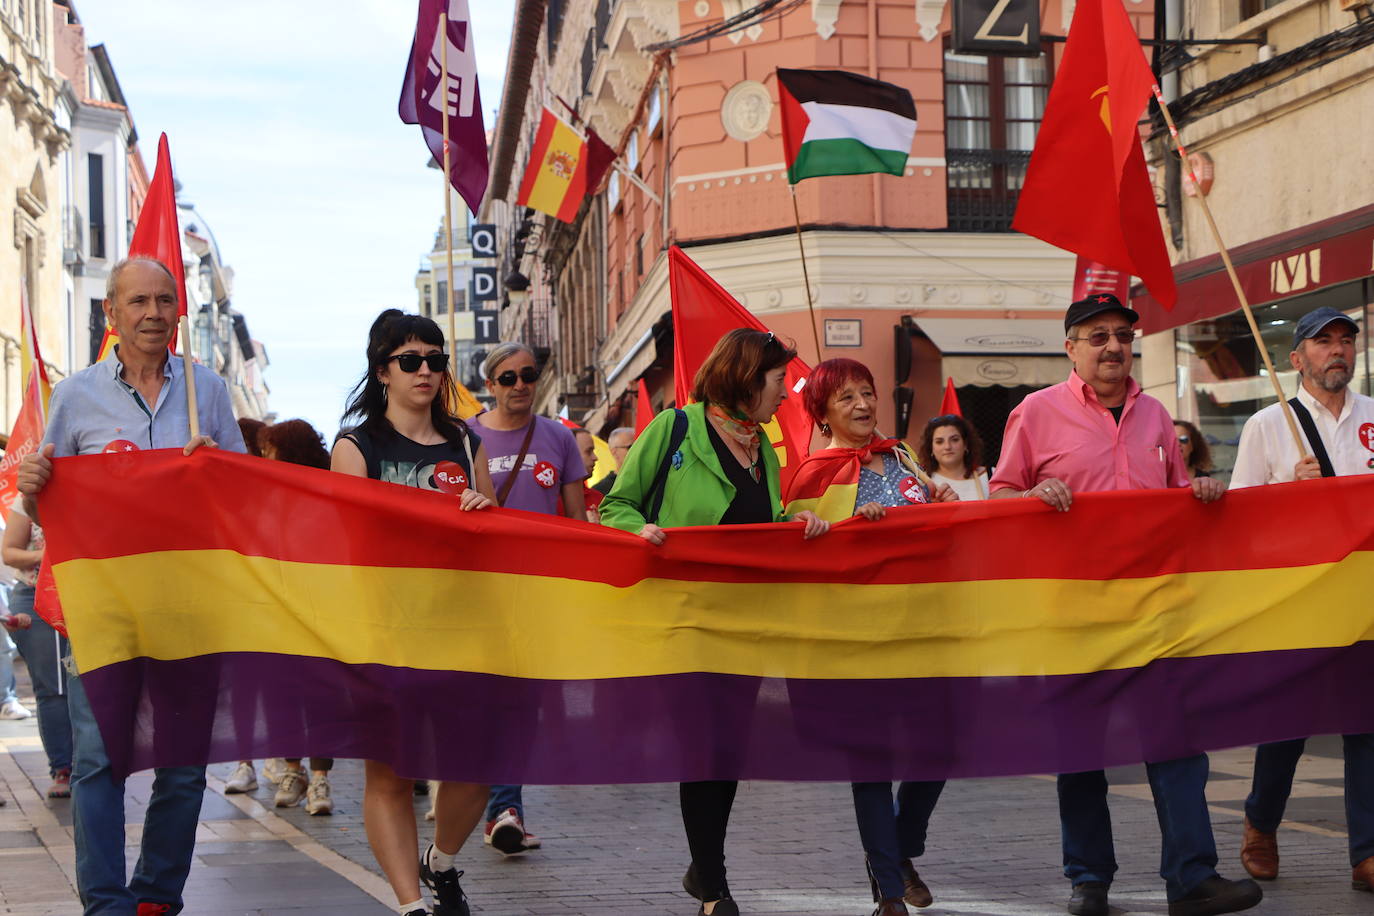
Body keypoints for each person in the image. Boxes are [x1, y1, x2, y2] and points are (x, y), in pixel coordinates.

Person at [988, 293, 1260, 916]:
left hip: (1153, 607)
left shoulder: (1156, 414)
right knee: (1080, 754)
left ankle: (1191, 877)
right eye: (1097, 336)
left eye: (1121, 334)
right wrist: (1031, 492)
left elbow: (1171, 500)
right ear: (1071, 348)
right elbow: (999, 496)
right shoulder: (1034, 413)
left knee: (1177, 745)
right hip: (1074, 612)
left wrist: (1201, 491)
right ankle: (1089, 881)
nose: (1113, 346)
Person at [16, 255, 247, 916]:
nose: (153, 313)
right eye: (138, 302)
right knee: (97, 760)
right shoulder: (75, 397)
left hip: (189, 607)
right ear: (111, 314)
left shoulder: (211, 391)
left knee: (182, 765)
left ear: (179, 311)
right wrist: (32, 488)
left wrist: (218, 471)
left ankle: (156, 896)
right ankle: (106, 905)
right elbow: (44, 503)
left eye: (164, 301)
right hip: (104, 610)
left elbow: (244, 499)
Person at [601, 328, 829, 916]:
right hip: (686, 619)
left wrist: (799, 521)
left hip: (747, 624)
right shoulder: (674, 429)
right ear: (749, 377)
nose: (787, 393)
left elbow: (765, 523)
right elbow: (616, 505)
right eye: (780, 381)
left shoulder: (767, 448)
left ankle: (704, 868)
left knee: (727, 751)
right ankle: (717, 888)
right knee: (705, 746)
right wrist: (638, 530)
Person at [332, 309, 494, 916]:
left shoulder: (466, 442)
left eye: (435, 360)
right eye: (410, 361)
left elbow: (498, 535)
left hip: (462, 628)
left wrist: (482, 510)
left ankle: (441, 862)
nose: (425, 371)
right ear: (383, 372)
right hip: (386, 631)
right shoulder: (356, 447)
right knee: (390, 776)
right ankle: (410, 905)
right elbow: (346, 544)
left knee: (476, 768)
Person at [781, 358, 954, 916]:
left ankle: (901, 850)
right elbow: (802, 554)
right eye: (846, 397)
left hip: (922, 630)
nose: (861, 404)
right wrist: (851, 536)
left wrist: (943, 502)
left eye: (867, 393)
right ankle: (887, 890)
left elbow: (930, 517)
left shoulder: (900, 455)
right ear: (823, 413)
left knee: (940, 750)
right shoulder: (811, 474)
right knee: (872, 767)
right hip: (855, 641)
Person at [1228, 305, 1374, 893]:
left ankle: (1366, 853)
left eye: (1345, 340)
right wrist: (1289, 495)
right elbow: (1239, 518)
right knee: (1287, 722)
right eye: (1322, 342)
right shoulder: (1268, 425)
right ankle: (1261, 822)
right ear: (1296, 359)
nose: (1336, 350)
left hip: (1364, 595)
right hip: (1299, 598)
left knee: (1366, 722)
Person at [472, 342, 588, 856]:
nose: (520, 384)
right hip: (484, 589)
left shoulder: (558, 437)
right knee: (505, 699)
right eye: (509, 377)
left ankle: (500, 807)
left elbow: (575, 519)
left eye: (529, 375)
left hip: (541, 588)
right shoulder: (466, 435)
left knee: (522, 703)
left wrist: (583, 583)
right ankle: (504, 808)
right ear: (491, 385)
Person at [222, 420, 338, 815]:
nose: (264, 457)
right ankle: (293, 770)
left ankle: (320, 778)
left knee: (321, 695)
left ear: (292, 452)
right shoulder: (261, 498)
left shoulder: (329, 494)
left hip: (320, 608)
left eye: (270, 450)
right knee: (282, 694)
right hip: (274, 610)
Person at [3, 501, 70, 796]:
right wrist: (47, 555)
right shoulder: (30, 492)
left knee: (97, 683)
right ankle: (64, 768)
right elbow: (9, 552)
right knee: (52, 686)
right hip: (37, 593)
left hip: (92, 591)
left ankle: (95, 765)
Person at [917, 414, 989, 500]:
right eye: (939, 442)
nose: (947, 447)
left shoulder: (990, 476)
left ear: (965, 444)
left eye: (954, 440)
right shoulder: (922, 483)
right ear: (931, 448)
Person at [571, 426, 604, 521]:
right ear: (570, 454)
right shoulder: (550, 500)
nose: (595, 457)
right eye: (589, 451)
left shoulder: (598, 498)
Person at [592, 426, 635, 496]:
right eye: (630, 447)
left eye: (638, 446)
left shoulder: (648, 480)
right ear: (614, 452)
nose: (636, 450)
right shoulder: (600, 491)